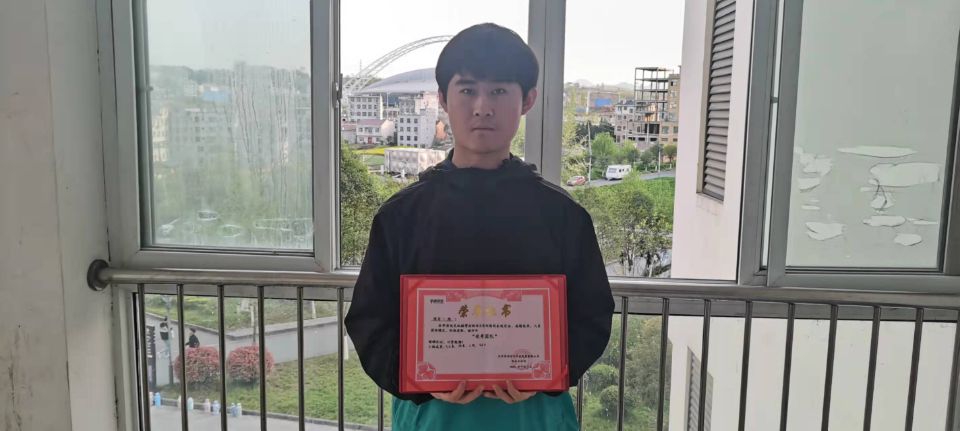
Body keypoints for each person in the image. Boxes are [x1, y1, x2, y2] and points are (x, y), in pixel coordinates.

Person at [344, 23, 614, 431]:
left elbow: (592, 316)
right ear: (442, 98)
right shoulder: (401, 216)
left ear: (528, 100)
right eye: (467, 90)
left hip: (534, 417)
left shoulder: (563, 216)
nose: (482, 107)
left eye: (500, 91)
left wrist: (548, 372)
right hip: (432, 418)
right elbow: (370, 321)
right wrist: (420, 379)